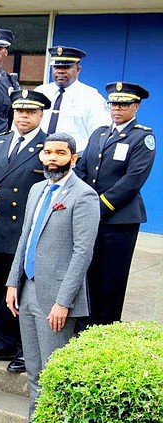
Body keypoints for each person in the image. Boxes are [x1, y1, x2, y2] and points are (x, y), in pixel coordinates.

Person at [0, 133, 100, 423]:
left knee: (53, 372)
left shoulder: (84, 195)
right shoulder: (38, 189)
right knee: (34, 368)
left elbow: (83, 253)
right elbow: (26, 237)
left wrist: (63, 302)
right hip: (27, 291)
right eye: (48, 152)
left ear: (74, 158)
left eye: (60, 153)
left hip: (55, 300)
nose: (52, 158)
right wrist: (12, 283)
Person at [0, 89, 51, 373]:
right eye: (20, 111)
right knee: (3, 286)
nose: (24, 116)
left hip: (28, 233)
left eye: (30, 112)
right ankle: (1, 340)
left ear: (42, 114)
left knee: (27, 293)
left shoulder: (49, 147)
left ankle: (24, 348)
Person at [75, 82, 155, 327]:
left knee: (111, 279)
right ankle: (83, 328)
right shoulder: (99, 132)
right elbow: (82, 169)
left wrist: (99, 206)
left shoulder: (142, 137)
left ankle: (103, 330)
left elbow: (133, 180)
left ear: (136, 106)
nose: (117, 108)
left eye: (124, 104)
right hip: (91, 215)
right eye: (113, 103)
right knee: (88, 274)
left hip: (119, 220)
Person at [35, 46, 110, 154]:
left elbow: (100, 135)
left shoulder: (91, 96)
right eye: (56, 67)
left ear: (78, 70)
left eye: (66, 67)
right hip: (38, 157)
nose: (60, 71)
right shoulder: (41, 92)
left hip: (74, 161)